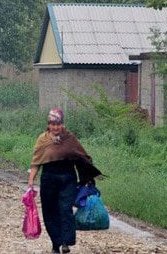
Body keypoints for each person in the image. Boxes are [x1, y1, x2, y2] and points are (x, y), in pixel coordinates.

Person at [28, 107, 102, 253]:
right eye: (53, 124)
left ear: (63, 124)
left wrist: (87, 177)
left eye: (58, 124)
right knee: (50, 211)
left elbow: (82, 156)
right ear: (48, 124)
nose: (56, 127)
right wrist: (31, 182)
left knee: (65, 209)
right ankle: (56, 243)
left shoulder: (70, 138)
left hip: (67, 178)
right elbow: (36, 162)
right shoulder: (42, 140)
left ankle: (66, 242)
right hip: (49, 179)